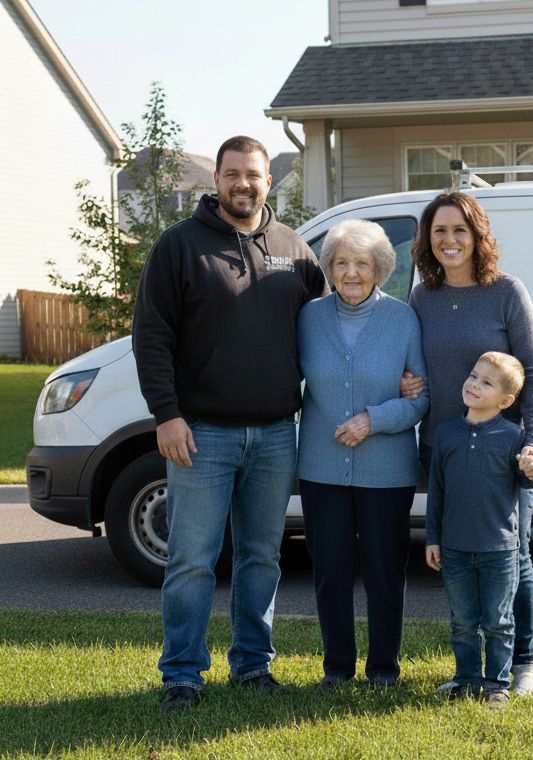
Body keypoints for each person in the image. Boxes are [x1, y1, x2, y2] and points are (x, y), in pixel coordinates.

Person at [133, 135, 328, 714]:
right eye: (233, 173)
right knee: (192, 558)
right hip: (202, 433)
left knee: (261, 556)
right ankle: (183, 674)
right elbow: (152, 336)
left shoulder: (294, 248)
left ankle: (251, 665)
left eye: (255, 174)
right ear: (215, 180)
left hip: (274, 432)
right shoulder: (178, 246)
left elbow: (332, 318)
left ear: (270, 181)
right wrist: (166, 415)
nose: (244, 183)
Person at [403, 190, 533, 696]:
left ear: (477, 235)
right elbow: (413, 362)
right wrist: (407, 382)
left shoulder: (507, 292)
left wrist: (532, 445)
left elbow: (529, 373)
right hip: (443, 446)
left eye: (459, 230)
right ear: (428, 239)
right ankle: (470, 671)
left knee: (517, 555)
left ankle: (523, 664)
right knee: (457, 556)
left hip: (502, 454)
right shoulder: (422, 295)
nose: (449, 240)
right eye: (439, 231)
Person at [296, 219, 428, 689]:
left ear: (380, 269)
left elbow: (420, 397)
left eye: (363, 263)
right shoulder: (308, 317)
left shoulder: (402, 319)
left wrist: (374, 419)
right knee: (330, 571)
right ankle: (336, 668)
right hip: (321, 468)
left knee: (384, 573)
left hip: (387, 470)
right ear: (329, 268)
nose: (351, 272)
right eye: (342, 262)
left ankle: (383, 670)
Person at [426, 352, 533, 707]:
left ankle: (497, 685)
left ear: (506, 401)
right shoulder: (446, 434)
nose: (474, 384)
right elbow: (437, 493)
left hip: (500, 551)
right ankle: (465, 678)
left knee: (497, 621)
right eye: (474, 376)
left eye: (487, 382)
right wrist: (433, 539)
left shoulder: (514, 438)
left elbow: (527, 482)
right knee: (462, 621)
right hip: (455, 549)